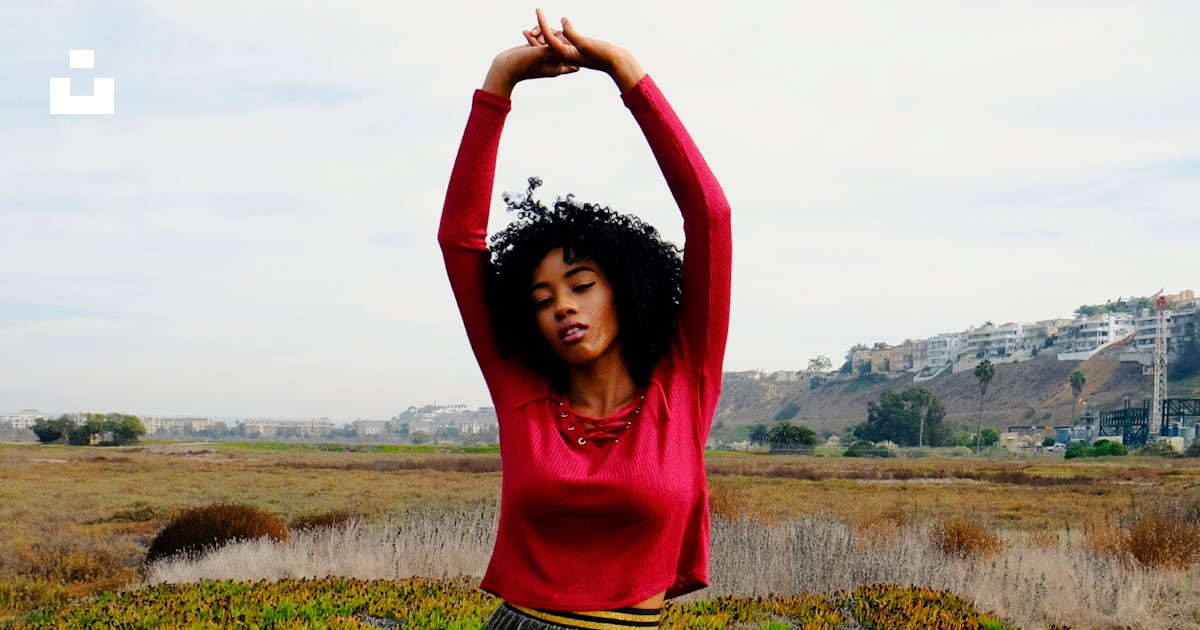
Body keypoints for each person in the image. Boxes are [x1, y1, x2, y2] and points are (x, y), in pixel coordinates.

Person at [438, 9, 731, 629]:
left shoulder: (684, 383)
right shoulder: (521, 389)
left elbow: (710, 220)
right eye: (542, 300)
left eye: (580, 286)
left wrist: (627, 73)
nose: (561, 306)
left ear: (624, 291)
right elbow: (460, 241)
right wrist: (498, 83)